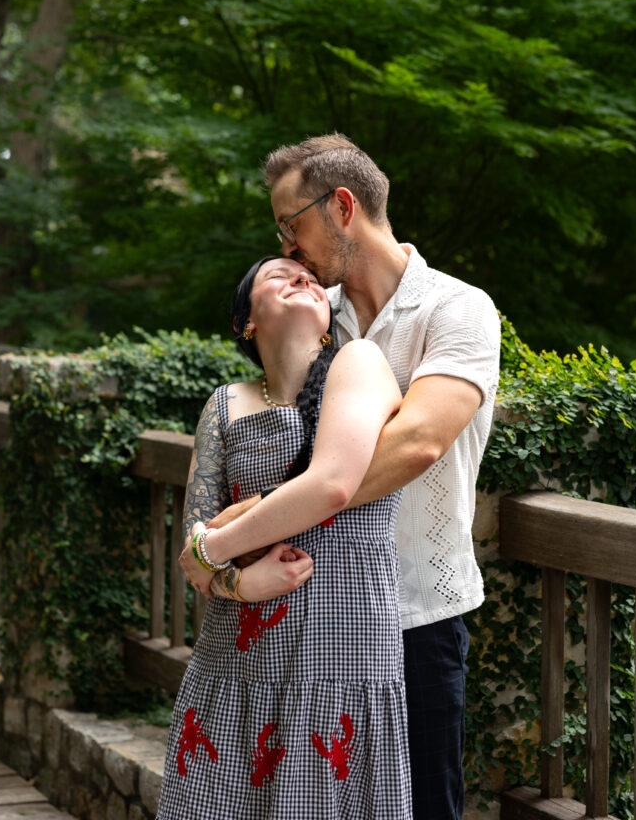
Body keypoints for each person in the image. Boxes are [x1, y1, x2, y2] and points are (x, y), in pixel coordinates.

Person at [212, 134, 501, 820]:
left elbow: (418, 442)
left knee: (425, 806)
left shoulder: (455, 309)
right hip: (308, 609)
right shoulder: (314, 314)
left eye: (291, 223)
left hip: (414, 616)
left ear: (343, 206)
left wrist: (254, 521)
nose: (285, 246)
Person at [156, 256, 412, 820]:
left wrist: (217, 550)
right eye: (278, 275)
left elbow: (331, 487)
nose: (303, 278)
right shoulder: (224, 405)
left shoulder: (361, 363)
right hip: (238, 658)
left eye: (313, 280)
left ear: (327, 317)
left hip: (342, 652)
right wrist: (245, 584)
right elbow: (194, 554)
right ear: (247, 320)